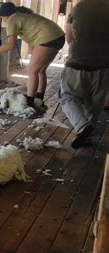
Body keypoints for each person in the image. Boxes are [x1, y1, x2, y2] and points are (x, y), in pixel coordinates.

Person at [0, 2, 65, 110]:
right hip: (58, 36)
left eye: (2, 18)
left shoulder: (12, 19)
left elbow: (10, 45)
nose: (3, 20)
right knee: (40, 70)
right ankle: (39, 99)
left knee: (32, 71)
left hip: (48, 38)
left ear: (5, 15)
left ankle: (29, 102)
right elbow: (32, 38)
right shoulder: (22, 15)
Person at [59, 0, 109, 149]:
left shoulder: (79, 8)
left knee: (68, 96)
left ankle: (81, 127)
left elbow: (69, 38)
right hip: (104, 66)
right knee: (94, 104)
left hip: (77, 63)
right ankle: (87, 135)